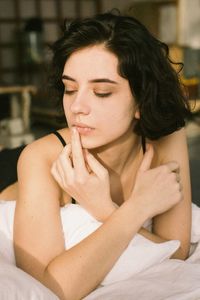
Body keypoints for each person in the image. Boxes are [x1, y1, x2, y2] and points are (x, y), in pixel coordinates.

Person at [12, 11, 192, 300]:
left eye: (102, 92)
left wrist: (104, 208)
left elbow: (177, 252)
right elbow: (50, 288)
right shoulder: (39, 158)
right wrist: (136, 209)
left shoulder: (167, 138)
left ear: (141, 101)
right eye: (70, 88)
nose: (77, 106)